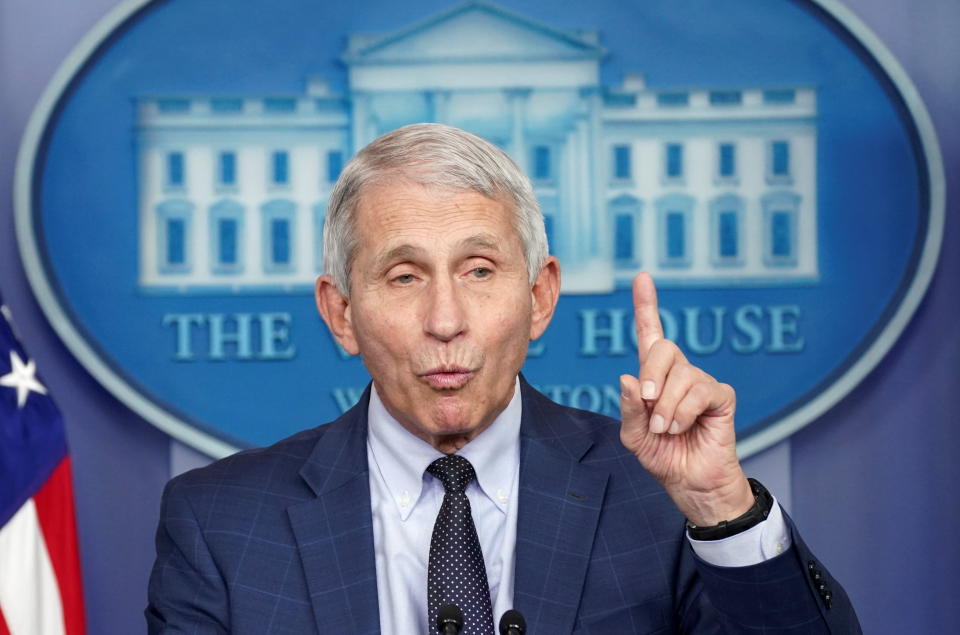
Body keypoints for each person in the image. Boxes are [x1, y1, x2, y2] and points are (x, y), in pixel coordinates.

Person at [146, 123, 860, 633]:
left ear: (540, 296)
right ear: (341, 313)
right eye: (404, 276)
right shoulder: (219, 524)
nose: (446, 319)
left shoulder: (661, 498)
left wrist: (720, 505)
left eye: (479, 270)